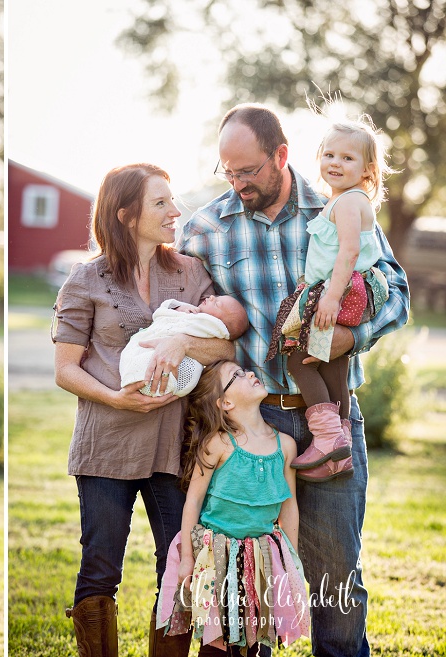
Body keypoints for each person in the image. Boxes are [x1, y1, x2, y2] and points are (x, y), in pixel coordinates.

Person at [178, 103, 409, 657]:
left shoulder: (338, 206)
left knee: (335, 572)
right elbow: (181, 312)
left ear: (281, 156)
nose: (237, 184)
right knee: (249, 571)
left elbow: (395, 293)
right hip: (252, 427)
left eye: (248, 171)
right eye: (227, 172)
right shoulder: (205, 228)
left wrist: (343, 339)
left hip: (327, 411)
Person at [52, 163, 235, 657]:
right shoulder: (86, 278)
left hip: (174, 448)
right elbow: (65, 369)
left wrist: (181, 341)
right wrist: (116, 398)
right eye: (160, 203)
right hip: (105, 447)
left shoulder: (191, 273)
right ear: (126, 214)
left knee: (176, 564)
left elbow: (224, 348)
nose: (175, 212)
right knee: (100, 568)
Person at [266, 117, 391, 481]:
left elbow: (349, 251)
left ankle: (327, 436)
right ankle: (340, 452)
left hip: (341, 291)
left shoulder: (349, 203)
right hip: (347, 291)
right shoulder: (346, 199)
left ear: (368, 169)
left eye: (348, 158)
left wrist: (330, 298)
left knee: (300, 361)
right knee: (334, 364)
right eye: (330, 154)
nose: (335, 163)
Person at [156, 360, 308, 654]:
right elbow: (193, 502)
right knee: (217, 643)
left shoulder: (285, 446)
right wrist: (187, 557)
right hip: (217, 558)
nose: (250, 373)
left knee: (258, 639)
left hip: (261, 559)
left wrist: (291, 562)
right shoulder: (219, 444)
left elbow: (289, 508)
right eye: (237, 375)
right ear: (225, 402)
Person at [120, 295, 248, 397]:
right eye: (216, 297)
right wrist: (178, 308)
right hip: (148, 358)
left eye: (217, 304)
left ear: (221, 324)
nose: (212, 297)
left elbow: (163, 313)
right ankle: (138, 379)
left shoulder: (209, 326)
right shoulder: (192, 312)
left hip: (173, 373)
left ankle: (144, 381)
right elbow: (162, 313)